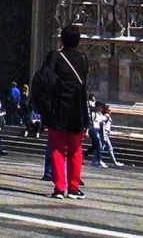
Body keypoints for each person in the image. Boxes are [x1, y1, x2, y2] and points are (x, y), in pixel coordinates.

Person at [37, 24, 90, 200]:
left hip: (58, 109)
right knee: (76, 150)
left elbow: (44, 78)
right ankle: (74, 188)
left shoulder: (55, 57)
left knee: (58, 150)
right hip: (77, 109)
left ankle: (59, 188)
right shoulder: (82, 59)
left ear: (62, 39)